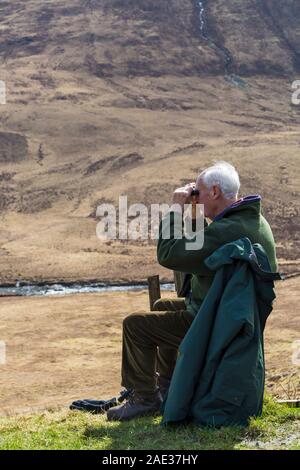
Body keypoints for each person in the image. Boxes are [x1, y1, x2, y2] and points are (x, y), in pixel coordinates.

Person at [106, 161, 278, 421]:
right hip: (223, 309)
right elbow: (203, 248)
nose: (194, 195)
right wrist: (197, 213)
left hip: (216, 322)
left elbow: (170, 254)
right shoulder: (248, 218)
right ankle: (167, 386)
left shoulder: (229, 230)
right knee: (162, 308)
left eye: (199, 191)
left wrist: (176, 209)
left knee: (135, 326)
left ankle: (145, 399)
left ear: (215, 192)